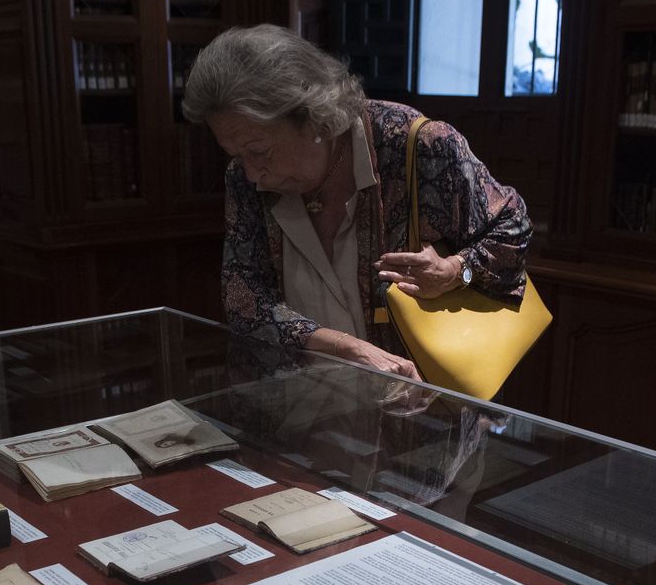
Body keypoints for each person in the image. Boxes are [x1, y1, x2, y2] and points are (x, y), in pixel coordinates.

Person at [181, 24, 532, 382]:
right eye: (237, 156)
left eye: (259, 152)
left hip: (425, 411)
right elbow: (245, 300)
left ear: (312, 116)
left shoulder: (419, 146)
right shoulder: (244, 178)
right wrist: (348, 348)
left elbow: (513, 228)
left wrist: (455, 272)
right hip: (305, 410)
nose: (253, 174)